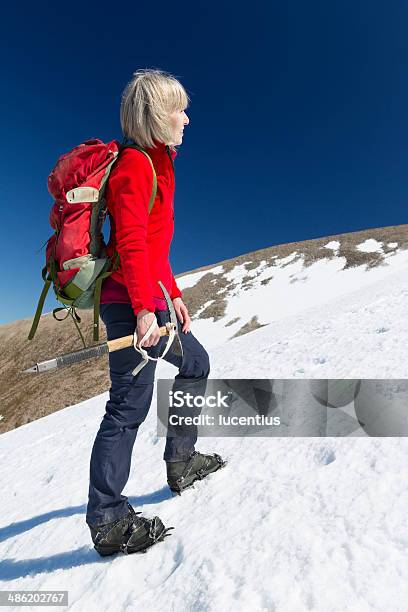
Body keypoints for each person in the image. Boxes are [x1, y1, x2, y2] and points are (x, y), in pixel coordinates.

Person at [85, 69, 225, 557]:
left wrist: (175, 294)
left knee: (195, 362)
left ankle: (181, 461)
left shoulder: (159, 164)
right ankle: (106, 519)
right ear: (153, 116)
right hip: (128, 304)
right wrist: (146, 309)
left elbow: (154, 245)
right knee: (127, 405)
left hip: (148, 297)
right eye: (177, 109)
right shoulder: (134, 166)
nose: (186, 117)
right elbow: (128, 243)